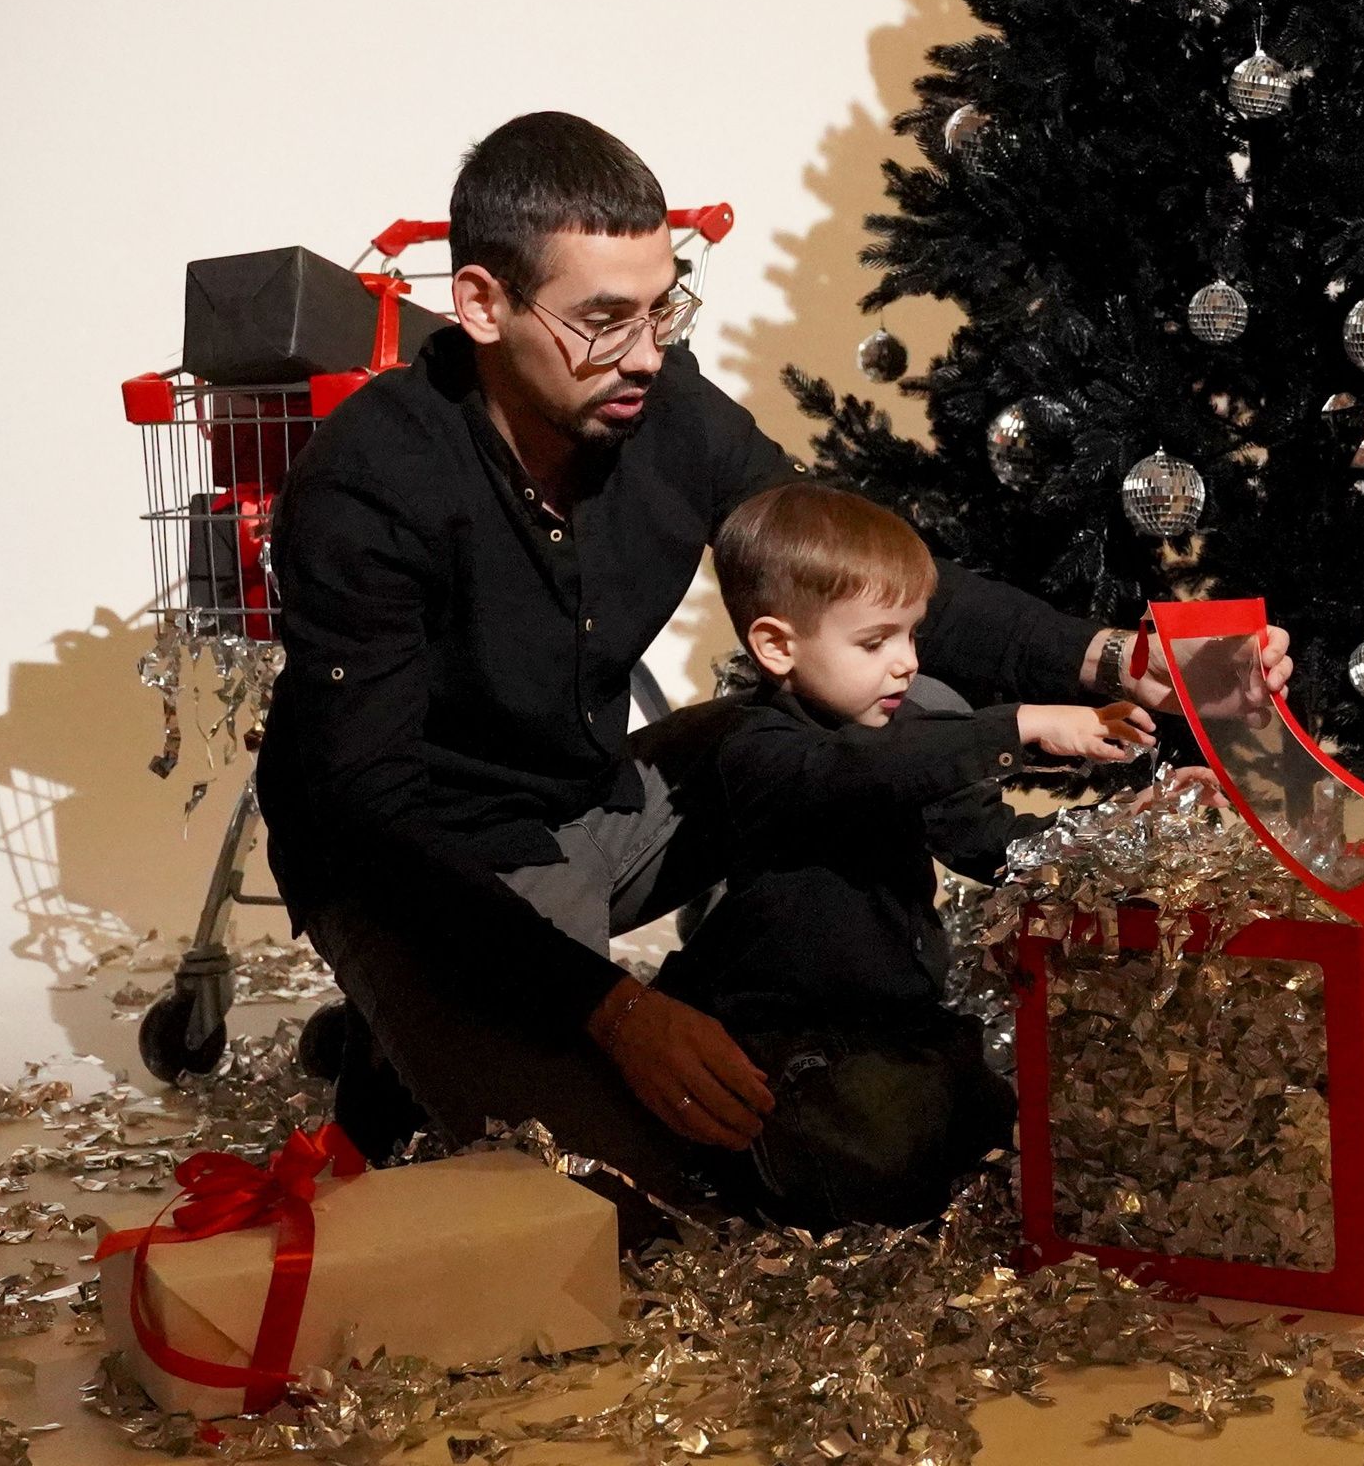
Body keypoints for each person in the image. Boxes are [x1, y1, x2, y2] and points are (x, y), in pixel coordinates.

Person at [256, 111, 1290, 1239]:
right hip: (422, 862)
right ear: (481, 306)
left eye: (662, 308)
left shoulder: (666, 414)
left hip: (589, 800)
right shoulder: (368, 486)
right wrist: (611, 1012)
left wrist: (1110, 657)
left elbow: (848, 586)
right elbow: (376, 818)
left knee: (889, 713)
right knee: (645, 1215)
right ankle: (407, 1031)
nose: (646, 353)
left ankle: (803, 1031)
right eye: (602, 321)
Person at [650, 483, 1154, 1228]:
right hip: (800, 1042)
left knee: (1005, 1135)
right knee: (878, 1156)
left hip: (902, 1026)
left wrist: (1119, 829)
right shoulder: (758, 749)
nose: (906, 664)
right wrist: (1017, 725)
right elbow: (856, 774)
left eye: (913, 636)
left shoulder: (901, 736)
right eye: (875, 641)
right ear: (776, 645)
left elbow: (993, 843)